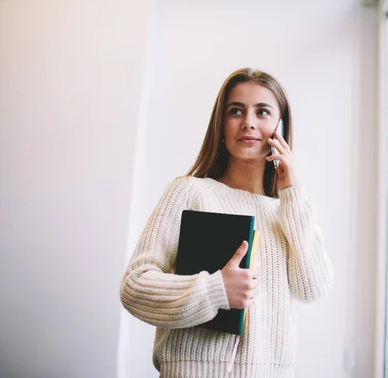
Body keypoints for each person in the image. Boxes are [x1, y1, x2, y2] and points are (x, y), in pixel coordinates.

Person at [119, 68, 334, 377]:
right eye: (236, 111)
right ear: (221, 123)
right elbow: (134, 286)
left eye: (262, 112)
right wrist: (215, 289)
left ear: (281, 127)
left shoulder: (291, 210)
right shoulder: (190, 192)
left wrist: (292, 194)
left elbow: (312, 289)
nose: (248, 121)